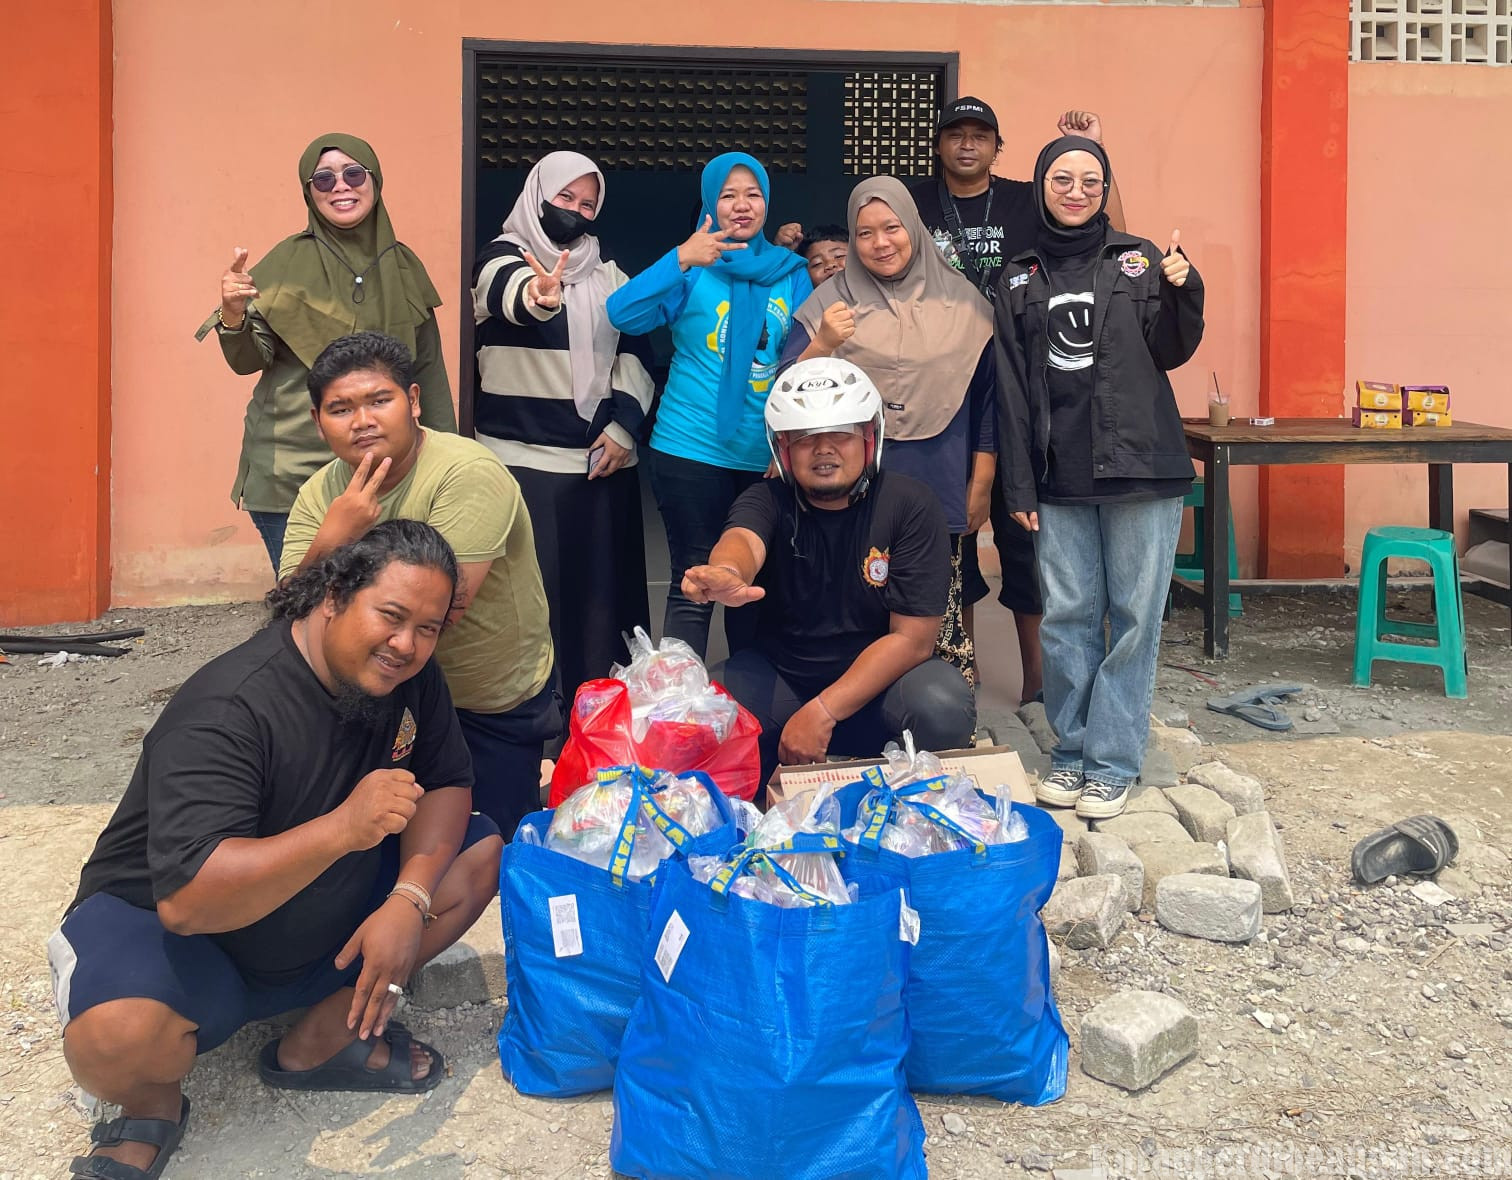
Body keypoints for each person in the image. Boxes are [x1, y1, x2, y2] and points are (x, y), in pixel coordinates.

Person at [50, 522, 502, 1180]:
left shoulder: (407, 680)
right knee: (115, 1038)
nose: (407, 645)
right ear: (332, 597)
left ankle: (324, 1035)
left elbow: (447, 782)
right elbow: (187, 902)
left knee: (477, 856)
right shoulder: (232, 707)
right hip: (182, 937)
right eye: (392, 616)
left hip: (313, 915)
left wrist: (410, 897)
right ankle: (151, 1104)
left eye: (428, 629)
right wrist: (345, 828)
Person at [994, 135, 1203, 820]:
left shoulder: (1139, 260)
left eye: (1091, 179)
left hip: (1141, 467)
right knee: (1067, 618)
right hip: (1059, 477)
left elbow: (1170, 349)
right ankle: (1072, 750)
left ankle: (1111, 762)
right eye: (1062, 178)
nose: (1076, 190)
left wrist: (1184, 289)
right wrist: (1018, 485)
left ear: (1106, 188)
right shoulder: (1018, 275)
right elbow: (1012, 387)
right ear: (1040, 187)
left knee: (1135, 619)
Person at [279, 332, 558, 838]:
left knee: (491, 845)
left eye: (379, 401)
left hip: (482, 699)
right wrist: (332, 538)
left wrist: (334, 585)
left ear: (412, 401)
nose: (362, 421)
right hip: (376, 695)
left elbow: (440, 612)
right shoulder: (321, 495)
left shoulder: (466, 473)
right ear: (319, 424)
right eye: (340, 409)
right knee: (381, 843)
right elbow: (290, 617)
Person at [912, 99, 1126, 702]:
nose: (968, 146)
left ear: (997, 147)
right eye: (956, 135)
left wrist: (1098, 153)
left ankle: (1040, 683)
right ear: (940, 144)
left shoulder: (1024, 201)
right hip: (944, 388)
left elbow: (1105, 230)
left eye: (981, 136)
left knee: (1025, 540)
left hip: (1022, 379)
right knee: (947, 540)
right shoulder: (915, 203)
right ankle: (960, 678)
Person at [685, 357, 975, 786]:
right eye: (804, 437)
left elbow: (912, 640)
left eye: (841, 433)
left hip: (883, 690)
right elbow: (743, 541)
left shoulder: (910, 504)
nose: (824, 448)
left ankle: (913, 803)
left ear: (869, 438)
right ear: (782, 449)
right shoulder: (767, 499)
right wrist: (727, 571)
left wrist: (822, 712)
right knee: (704, 716)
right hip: (783, 681)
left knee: (942, 704)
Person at [197, 133, 456, 573]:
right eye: (323, 179)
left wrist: (449, 460)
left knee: (378, 608)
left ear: (374, 182)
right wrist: (233, 313)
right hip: (292, 471)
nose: (341, 186)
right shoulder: (284, 263)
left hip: (387, 472)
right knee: (311, 607)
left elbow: (427, 371)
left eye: (354, 173)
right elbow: (247, 361)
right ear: (308, 192)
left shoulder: (404, 266)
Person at [782, 177, 994, 684]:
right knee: (853, 604)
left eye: (892, 228)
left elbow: (988, 400)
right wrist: (825, 342)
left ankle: (938, 716)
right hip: (850, 482)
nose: (880, 243)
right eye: (865, 233)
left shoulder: (965, 303)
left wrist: (982, 481)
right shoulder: (827, 304)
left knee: (930, 616)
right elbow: (787, 389)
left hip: (936, 474)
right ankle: (849, 709)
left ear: (914, 230)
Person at [606, 152, 812, 659]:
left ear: (767, 201)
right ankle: (681, 710)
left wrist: (790, 443)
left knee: (754, 585)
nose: (741, 205)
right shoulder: (693, 268)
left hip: (765, 455)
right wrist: (680, 257)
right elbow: (622, 313)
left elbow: (803, 359)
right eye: (728, 195)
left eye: (753, 194)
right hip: (689, 447)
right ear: (710, 203)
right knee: (695, 580)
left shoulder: (792, 274)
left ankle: (747, 703)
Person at [470, 151, 654, 694]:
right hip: (522, 469)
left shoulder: (608, 271)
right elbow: (509, 296)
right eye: (564, 199)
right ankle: (534, 735)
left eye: (587, 204)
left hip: (599, 469)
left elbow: (637, 350)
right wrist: (540, 294)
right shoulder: (499, 256)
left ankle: (591, 726)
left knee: (597, 611)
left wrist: (623, 428)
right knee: (530, 610)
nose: (574, 211)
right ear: (537, 196)